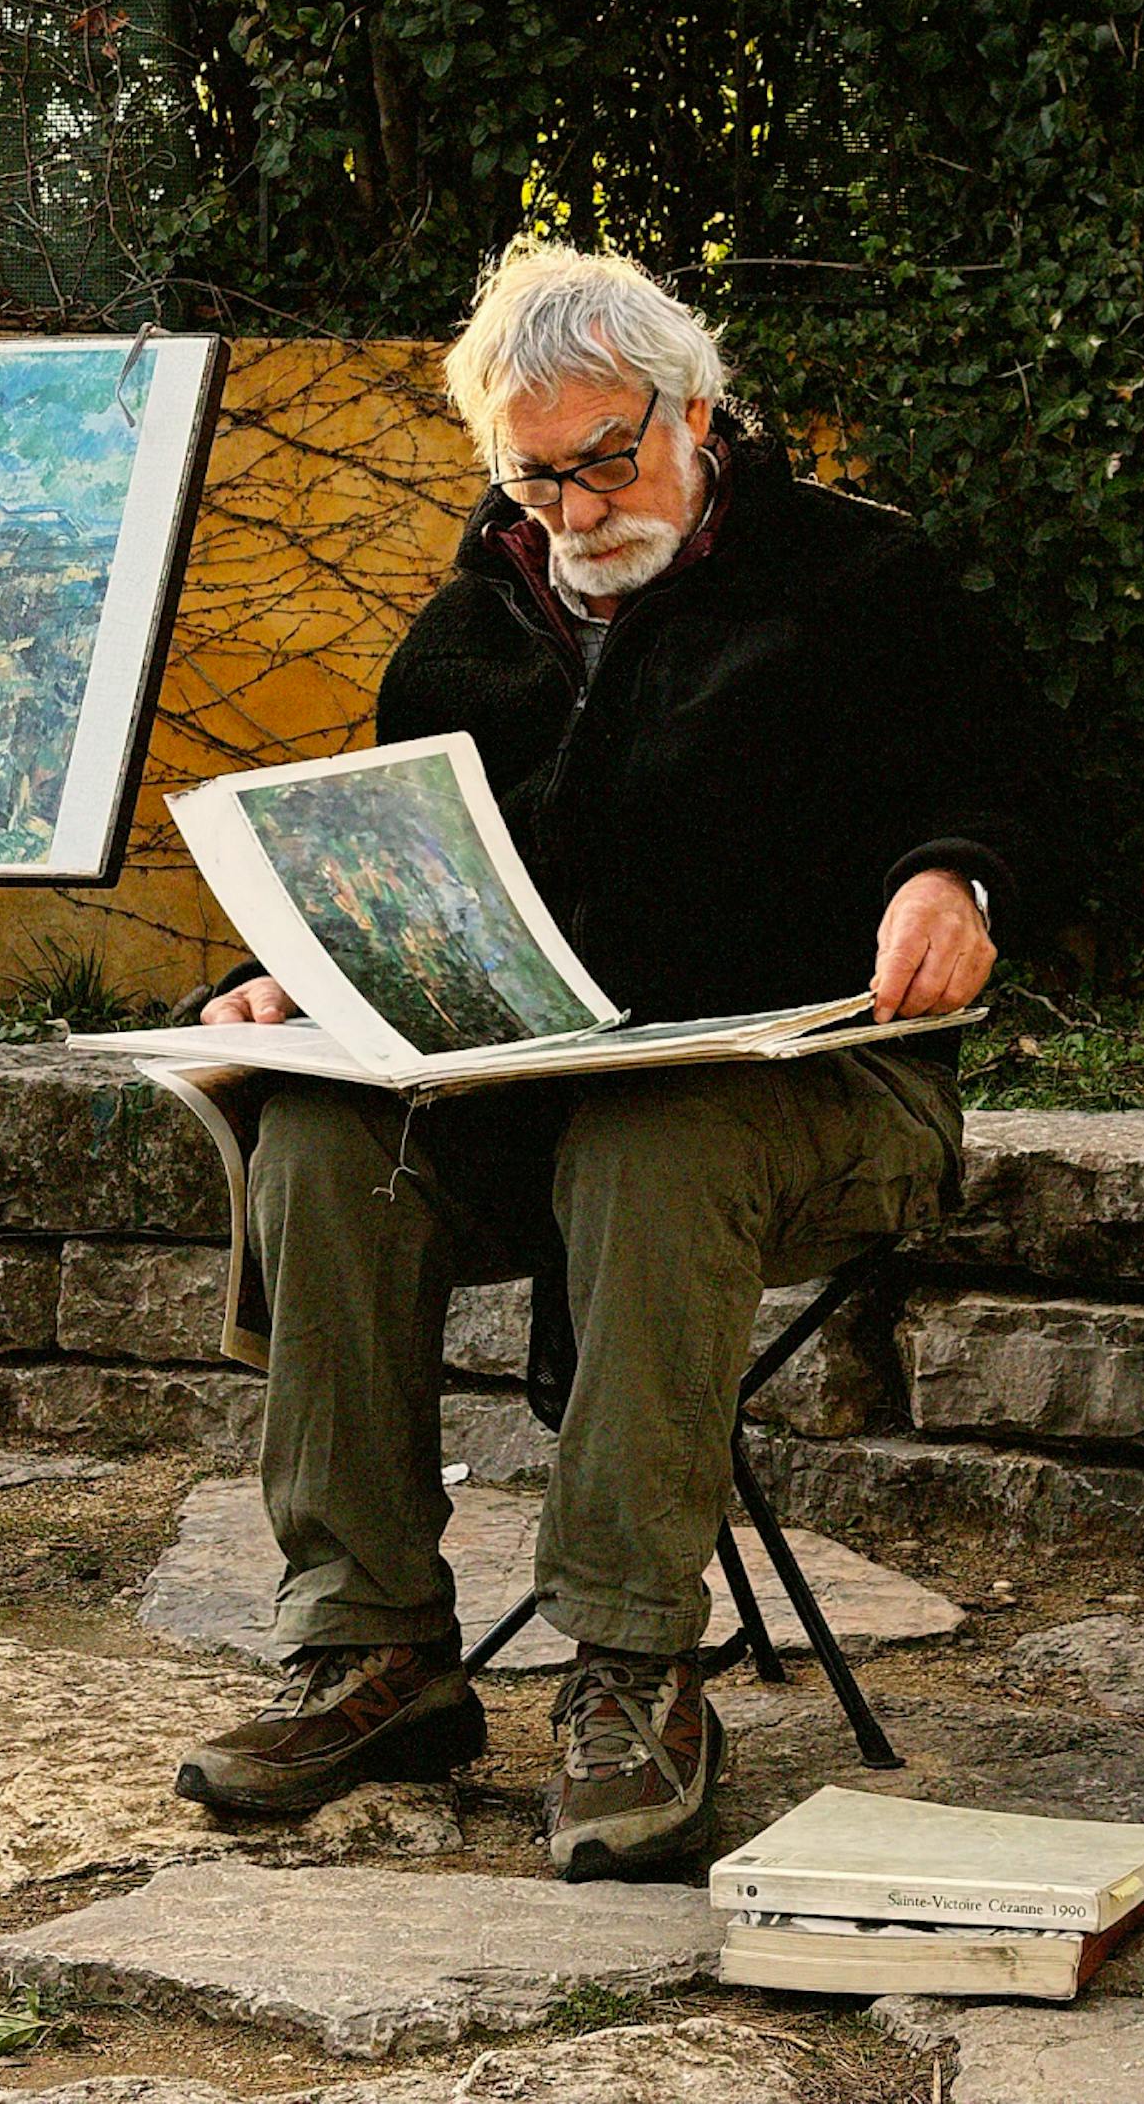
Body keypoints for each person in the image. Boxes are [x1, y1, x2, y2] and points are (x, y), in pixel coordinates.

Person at [174, 239, 1070, 1877]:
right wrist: (275, 978)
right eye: (540, 481)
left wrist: (958, 872)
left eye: (609, 463)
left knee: (657, 1142)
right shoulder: (467, 630)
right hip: (528, 1094)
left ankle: (632, 1665)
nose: (581, 517)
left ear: (696, 414)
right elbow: (404, 878)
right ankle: (372, 1651)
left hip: (823, 1088)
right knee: (312, 1138)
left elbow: (1026, 790)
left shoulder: (863, 585)